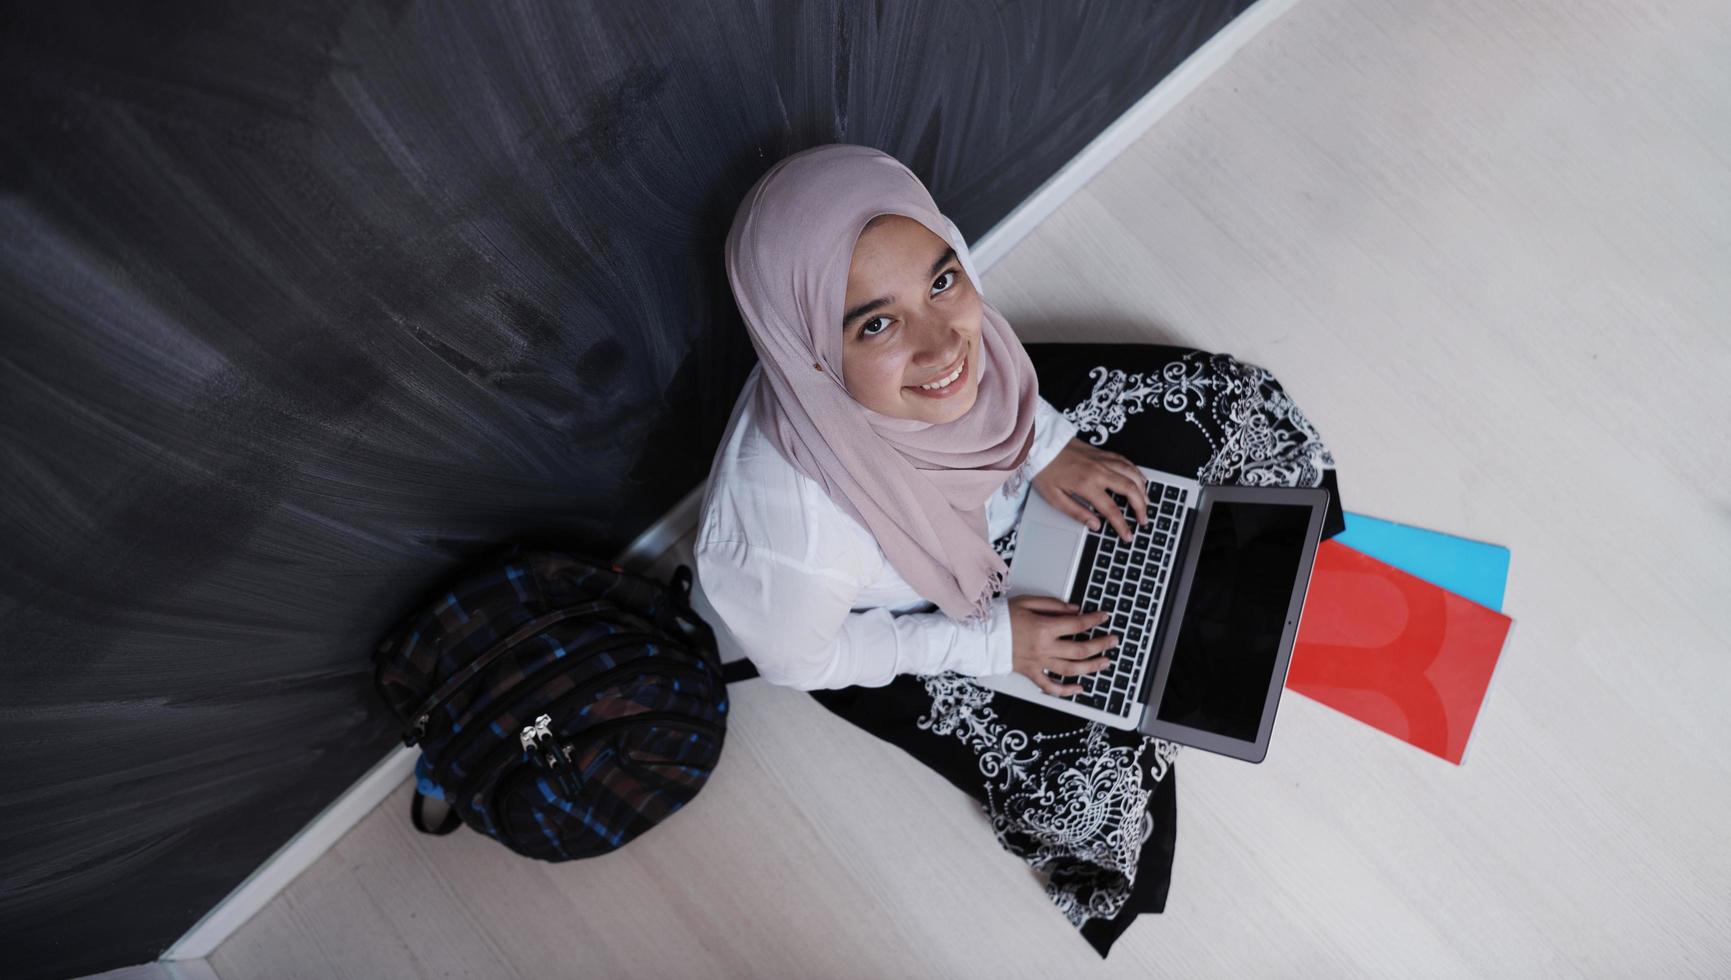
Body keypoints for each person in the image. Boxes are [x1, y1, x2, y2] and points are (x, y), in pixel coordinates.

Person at [695, 143, 1345, 957]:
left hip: (996, 498)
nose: (944, 347)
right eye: (875, 323)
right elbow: (802, 661)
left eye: (943, 281)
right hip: (926, 611)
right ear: (806, 350)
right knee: (1090, 791)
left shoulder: (949, 354)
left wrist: (1045, 448)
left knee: (1229, 407)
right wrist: (996, 640)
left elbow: (986, 382)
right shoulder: (785, 542)